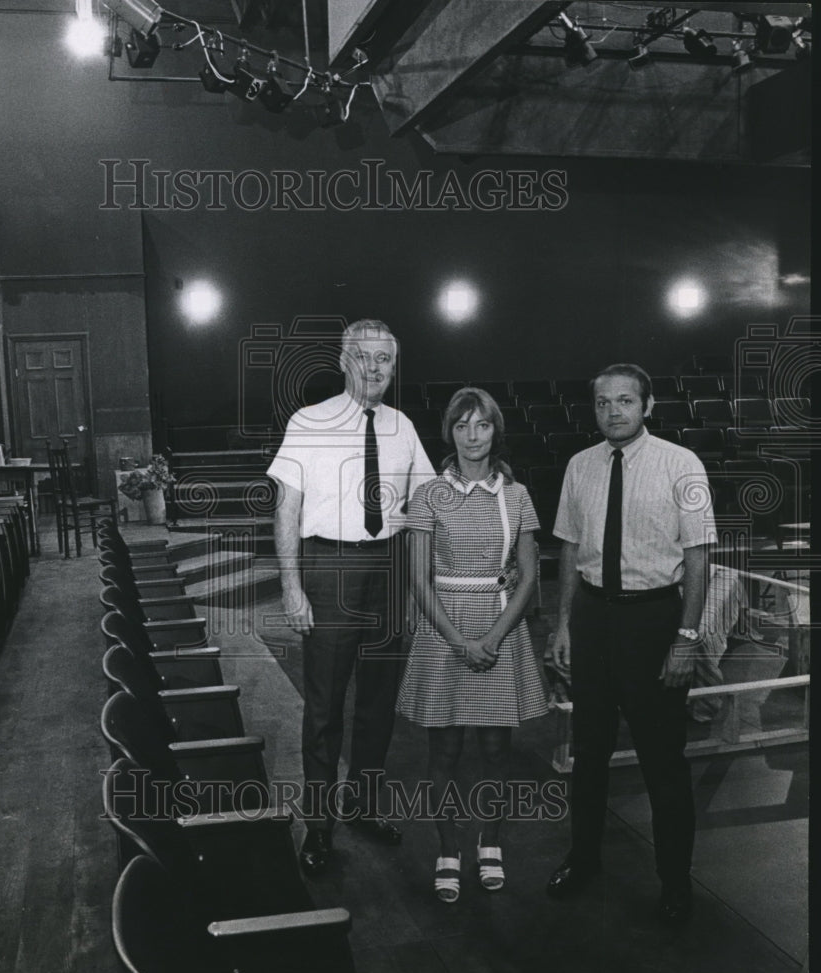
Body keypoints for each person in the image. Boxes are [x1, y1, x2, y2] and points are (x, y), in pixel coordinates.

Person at [546, 363, 716, 927]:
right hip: (594, 618)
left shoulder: (681, 464)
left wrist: (686, 638)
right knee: (588, 754)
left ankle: (674, 882)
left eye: (624, 401)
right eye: (602, 402)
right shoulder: (579, 466)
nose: (612, 411)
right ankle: (584, 860)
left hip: (654, 621)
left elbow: (697, 558)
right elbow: (569, 550)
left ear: (646, 405)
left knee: (662, 762)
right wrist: (564, 624)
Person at [267, 319, 436, 875]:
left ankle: (362, 806)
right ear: (344, 360)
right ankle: (318, 826)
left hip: (386, 570)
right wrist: (292, 586)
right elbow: (286, 509)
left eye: (384, 359)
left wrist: (421, 589)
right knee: (324, 708)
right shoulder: (308, 421)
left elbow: (424, 510)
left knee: (377, 705)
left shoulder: (403, 426)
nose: (374, 367)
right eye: (363, 357)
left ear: (394, 365)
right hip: (329, 568)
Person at [396, 388, 550, 902]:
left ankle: (491, 842)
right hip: (444, 629)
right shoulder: (427, 496)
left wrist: (492, 636)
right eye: (462, 426)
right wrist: (460, 640)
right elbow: (419, 580)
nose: (472, 436)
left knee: (495, 750)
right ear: (450, 433)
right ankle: (447, 848)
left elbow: (528, 578)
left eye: (481, 425)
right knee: (444, 749)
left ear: (495, 430)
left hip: (500, 625)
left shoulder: (518, 495)